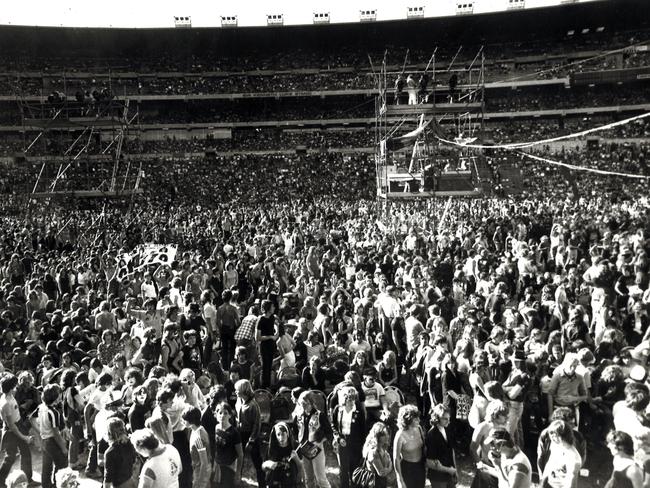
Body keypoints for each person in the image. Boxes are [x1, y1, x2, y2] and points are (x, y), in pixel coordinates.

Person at [0, 374, 35, 488]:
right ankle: (0, 481)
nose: (16, 387)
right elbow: (11, 426)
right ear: (11, 388)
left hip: (18, 424)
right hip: (13, 430)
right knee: (11, 457)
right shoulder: (6, 403)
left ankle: (28, 479)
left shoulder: (8, 396)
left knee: (25, 453)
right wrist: (24, 437)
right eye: (14, 386)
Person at [293, 391, 332, 488]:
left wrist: (320, 442)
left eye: (306, 404)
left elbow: (329, 433)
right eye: (301, 404)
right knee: (308, 479)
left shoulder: (320, 415)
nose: (303, 406)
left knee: (320, 478)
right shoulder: (298, 416)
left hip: (316, 448)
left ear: (311, 402)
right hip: (304, 448)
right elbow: (295, 431)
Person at [332, 387, 366, 488]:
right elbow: (333, 426)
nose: (352, 402)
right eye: (349, 399)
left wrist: (363, 446)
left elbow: (363, 431)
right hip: (342, 443)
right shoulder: (338, 410)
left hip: (355, 444)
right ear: (344, 399)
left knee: (355, 468)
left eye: (354, 399)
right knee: (343, 469)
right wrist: (338, 438)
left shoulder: (359, 412)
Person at [234, 380, 264, 488]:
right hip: (239, 433)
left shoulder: (253, 405)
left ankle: (262, 484)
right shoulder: (239, 401)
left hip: (250, 434)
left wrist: (251, 440)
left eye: (237, 389)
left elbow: (257, 424)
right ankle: (238, 480)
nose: (235, 391)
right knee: (238, 459)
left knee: (257, 461)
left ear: (244, 390)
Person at [37, 384, 68, 488]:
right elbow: (56, 433)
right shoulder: (54, 412)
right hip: (52, 441)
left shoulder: (41, 407)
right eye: (59, 394)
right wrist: (63, 448)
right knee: (62, 465)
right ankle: (59, 484)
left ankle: (46, 485)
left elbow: (31, 419)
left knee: (46, 467)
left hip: (44, 440)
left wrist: (40, 431)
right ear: (55, 396)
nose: (61, 396)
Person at [540, 420, 582, 488]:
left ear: (564, 435)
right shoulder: (556, 446)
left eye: (555, 435)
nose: (552, 438)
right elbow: (548, 466)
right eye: (551, 435)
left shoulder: (574, 459)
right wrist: (541, 484)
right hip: (549, 484)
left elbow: (571, 485)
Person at [263, 422, 304, 488]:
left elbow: (301, 467)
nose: (281, 437)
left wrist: (296, 458)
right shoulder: (271, 447)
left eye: (283, 434)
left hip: (290, 482)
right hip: (274, 482)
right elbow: (263, 467)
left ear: (288, 434)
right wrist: (268, 464)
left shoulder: (295, 446)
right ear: (275, 436)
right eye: (278, 435)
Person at [393, 404, 426, 488]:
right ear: (408, 420)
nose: (419, 420)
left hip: (420, 467)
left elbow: (424, 447)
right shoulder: (400, 435)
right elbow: (396, 458)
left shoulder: (419, 428)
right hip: (407, 469)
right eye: (416, 419)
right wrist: (400, 480)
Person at [425, 404, 457, 488]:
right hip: (438, 477)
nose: (448, 421)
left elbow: (451, 451)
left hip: (450, 472)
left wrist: (455, 470)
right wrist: (449, 470)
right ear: (437, 418)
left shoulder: (447, 429)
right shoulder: (431, 435)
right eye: (445, 419)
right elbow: (429, 462)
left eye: (449, 418)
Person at [213, 402, 243, 487]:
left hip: (229, 467)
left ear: (230, 415)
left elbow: (240, 454)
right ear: (216, 414)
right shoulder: (216, 428)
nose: (222, 415)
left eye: (225, 413)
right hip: (218, 466)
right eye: (220, 413)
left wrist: (238, 473)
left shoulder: (234, 432)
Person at [181, 406, 211, 488]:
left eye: (184, 420)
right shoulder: (198, 429)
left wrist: (199, 481)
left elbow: (204, 462)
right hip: (200, 467)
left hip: (201, 470)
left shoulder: (198, 438)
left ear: (191, 421)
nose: (182, 421)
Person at [104, 417, 137, 488]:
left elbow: (108, 477)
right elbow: (134, 461)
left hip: (119, 485)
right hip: (131, 480)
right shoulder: (129, 444)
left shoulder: (110, 452)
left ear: (109, 433)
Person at [361, 422, 394, 488]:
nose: (387, 436)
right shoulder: (373, 452)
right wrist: (390, 467)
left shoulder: (382, 448)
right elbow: (381, 473)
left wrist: (389, 467)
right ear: (377, 436)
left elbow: (389, 463)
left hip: (382, 484)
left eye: (386, 433)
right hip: (375, 484)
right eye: (384, 434)